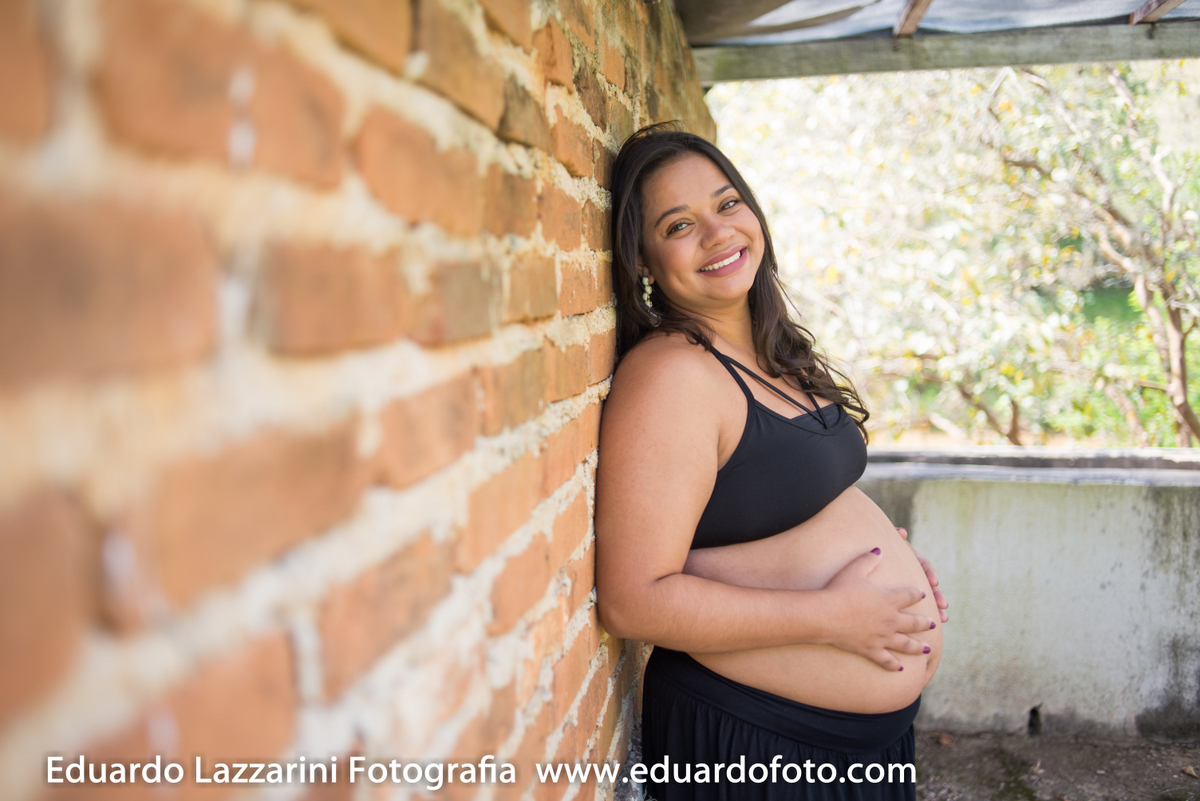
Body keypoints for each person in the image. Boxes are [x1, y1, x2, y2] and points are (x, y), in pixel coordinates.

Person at [593, 123, 948, 801]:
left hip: (855, 743)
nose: (718, 232)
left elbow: (780, 512)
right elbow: (633, 598)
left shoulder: (772, 353)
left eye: (727, 204)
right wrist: (835, 615)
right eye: (678, 224)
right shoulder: (672, 375)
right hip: (759, 744)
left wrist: (897, 583)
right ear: (641, 259)